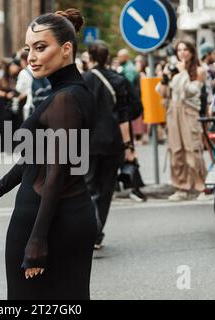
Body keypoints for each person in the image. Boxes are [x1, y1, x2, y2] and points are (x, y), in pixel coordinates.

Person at [0, 8, 97, 300]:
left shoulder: (65, 99)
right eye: (29, 49)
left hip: (50, 221)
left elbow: (57, 173)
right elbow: (35, 159)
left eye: (41, 47)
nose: (31, 57)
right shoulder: (66, 93)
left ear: (66, 50)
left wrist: (37, 241)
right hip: (59, 215)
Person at [82, 41, 135, 249]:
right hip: (113, 143)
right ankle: (97, 233)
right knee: (105, 191)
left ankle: (90, 230)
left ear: (90, 57)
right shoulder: (118, 80)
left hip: (88, 142)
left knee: (88, 188)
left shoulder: (83, 80)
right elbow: (124, 117)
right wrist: (129, 146)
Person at [157, 40, 208, 202]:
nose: (182, 53)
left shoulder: (199, 70)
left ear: (192, 52)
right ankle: (182, 187)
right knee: (176, 151)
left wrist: (183, 72)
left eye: (185, 49)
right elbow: (162, 93)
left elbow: (190, 91)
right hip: (173, 111)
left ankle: (202, 187)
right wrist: (165, 78)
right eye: (179, 50)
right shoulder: (173, 69)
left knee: (192, 149)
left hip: (189, 112)